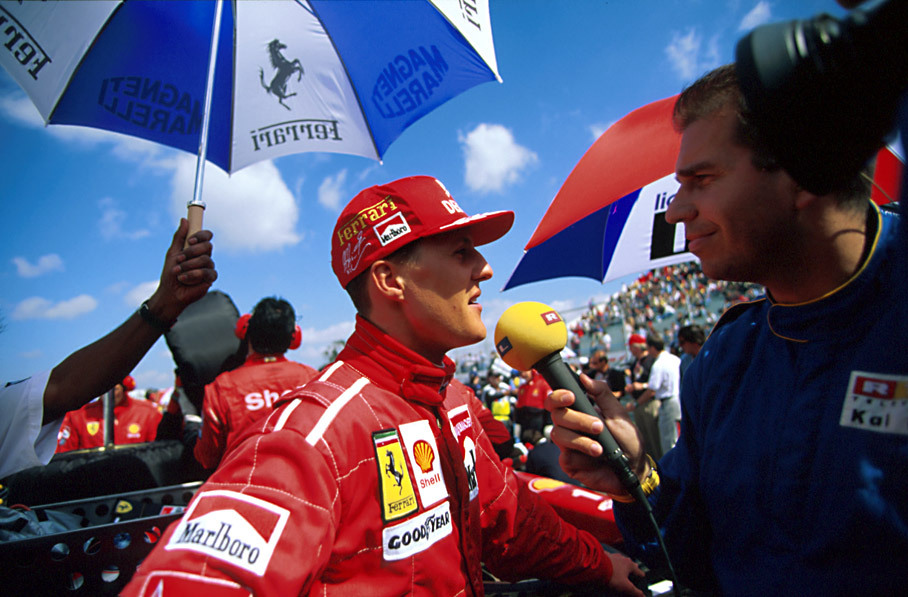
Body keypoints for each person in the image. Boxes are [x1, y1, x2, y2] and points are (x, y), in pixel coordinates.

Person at [124, 175, 644, 596]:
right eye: (461, 252)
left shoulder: (454, 400)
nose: (485, 269)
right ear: (391, 281)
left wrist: (600, 565)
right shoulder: (312, 433)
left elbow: (508, 521)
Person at [545, 63, 908, 594]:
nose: (676, 212)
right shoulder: (725, 357)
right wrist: (634, 476)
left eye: (702, 180)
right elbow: (689, 554)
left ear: (807, 170)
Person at [0, 219, 216, 479]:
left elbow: (64, 386)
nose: (111, 390)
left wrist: (164, 304)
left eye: (116, 384)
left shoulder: (147, 414)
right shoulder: (77, 418)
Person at [193, 297, 318, 470]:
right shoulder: (313, 379)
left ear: (245, 332)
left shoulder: (221, 388)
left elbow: (207, 458)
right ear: (294, 337)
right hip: (307, 479)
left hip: (244, 483)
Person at [55, 375, 162, 452]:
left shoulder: (148, 413)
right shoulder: (78, 416)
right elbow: (64, 454)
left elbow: (158, 452)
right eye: (102, 389)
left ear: (124, 388)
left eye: (114, 389)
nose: (108, 394)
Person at [625, 332, 680, 460]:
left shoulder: (656, 363)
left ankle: (665, 468)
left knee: (665, 442)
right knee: (657, 441)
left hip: (657, 402)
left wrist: (637, 401)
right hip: (671, 400)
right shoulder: (673, 359)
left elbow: (652, 389)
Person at [623, 334, 658, 457]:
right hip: (638, 404)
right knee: (646, 442)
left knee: (655, 440)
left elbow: (655, 385)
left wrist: (641, 386)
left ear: (636, 347)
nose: (630, 350)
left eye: (631, 347)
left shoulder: (651, 360)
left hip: (649, 403)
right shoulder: (635, 363)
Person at [514, 369, 551, 442]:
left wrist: (549, 423)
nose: (523, 374)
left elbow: (548, 404)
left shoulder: (543, 384)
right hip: (525, 422)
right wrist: (518, 423)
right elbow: (519, 406)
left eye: (525, 372)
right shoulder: (522, 387)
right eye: (521, 373)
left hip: (538, 420)